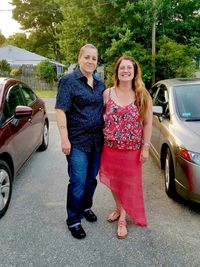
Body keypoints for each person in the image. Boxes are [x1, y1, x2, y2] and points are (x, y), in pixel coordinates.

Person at [55, 44, 105, 239]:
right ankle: (74, 219)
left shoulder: (100, 83)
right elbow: (60, 110)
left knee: (91, 179)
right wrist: (64, 138)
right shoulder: (68, 81)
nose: (90, 61)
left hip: (97, 141)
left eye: (94, 58)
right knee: (77, 181)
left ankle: (85, 207)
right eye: (87, 57)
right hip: (77, 141)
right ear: (79, 58)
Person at [99, 55, 152, 239]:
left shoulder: (142, 94)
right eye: (122, 68)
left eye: (129, 68)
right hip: (110, 148)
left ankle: (123, 218)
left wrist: (145, 147)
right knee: (114, 182)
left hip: (132, 150)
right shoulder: (107, 93)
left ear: (134, 72)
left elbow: (147, 123)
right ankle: (119, 207)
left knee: (128, 184)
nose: (126, 71)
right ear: (117, 71)